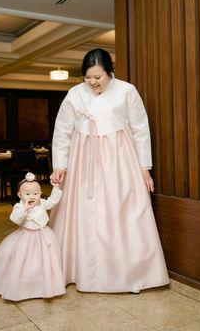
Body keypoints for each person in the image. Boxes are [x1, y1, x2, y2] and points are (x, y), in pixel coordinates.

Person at [49, 48, 169, 293]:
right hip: (83, 159)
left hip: (120, 158)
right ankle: (77, 270)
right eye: (88, 78)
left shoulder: (127, 91)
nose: (93, 82)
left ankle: (126, 274)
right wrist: (60, 164)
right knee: (81, 212)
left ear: (110, 73)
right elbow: (62, 132)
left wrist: (144, 168)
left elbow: (140, 129)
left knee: (121, 210)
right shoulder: (74, 94)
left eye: (98, 77)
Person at [0, 172, 66, 301]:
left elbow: (53, 201)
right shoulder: (19, 206)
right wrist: (24, 209)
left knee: (44, 261)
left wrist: (56, 188)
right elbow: (16, 219)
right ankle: (23, 287)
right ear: (20, 195)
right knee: (24, 261)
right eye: (27, 194)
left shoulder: (41, 203)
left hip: (43, 235)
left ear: (40, 194)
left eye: (36, 193)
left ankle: (42, 285)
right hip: (26, 236)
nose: (32, 196)